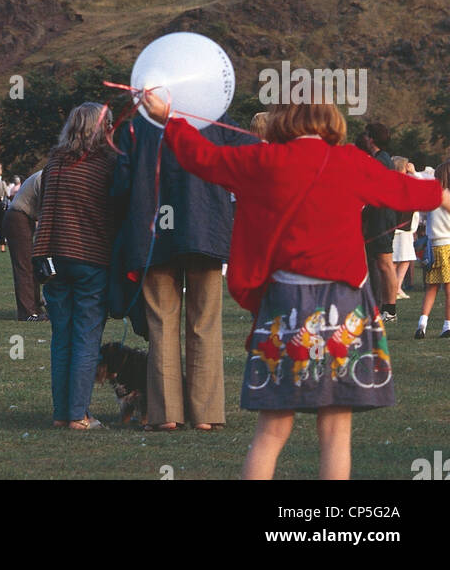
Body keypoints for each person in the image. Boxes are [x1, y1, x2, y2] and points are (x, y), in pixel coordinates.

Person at [144, 90, 444, 480]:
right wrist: (443, 195)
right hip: (345, 306)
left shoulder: (261, 160)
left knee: (271, 430)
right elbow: (401, 190)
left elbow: (203, 158)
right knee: (336, 432)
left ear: (282, 121)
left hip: (284, 304)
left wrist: (170, 118)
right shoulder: (350, 161)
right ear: (332, 121)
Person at [113, 102, 243, 431]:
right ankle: (206, 414)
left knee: (161, 325)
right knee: (205, 324)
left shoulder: (136, 124)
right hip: (207, 229)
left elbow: (120, 184)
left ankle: (165, 414)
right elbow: (242, 160)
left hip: (153, 233)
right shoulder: (213, 116)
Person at [33, 102, 120, 431]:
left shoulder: (55, 160)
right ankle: (79, 415)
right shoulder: (107, 163)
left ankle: (61, 413)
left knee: (62, 338)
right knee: (86, 337)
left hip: (53, 256)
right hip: (89, 256)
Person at [358, 124, 398, 321]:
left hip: (382, 217)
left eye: (366, 135)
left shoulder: (381, 160)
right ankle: (382, 305)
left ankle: (390, 310)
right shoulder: (380, 159)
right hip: (378, 216)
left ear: (371, 138)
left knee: (385, 264)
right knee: (380, 264)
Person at [3, 169, 45, 321]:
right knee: (25, 266)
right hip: (18, 217)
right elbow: (44, 210)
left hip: (24, 218)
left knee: (31, 265)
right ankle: (27, 312)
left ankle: (35, 307)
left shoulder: (46, 175)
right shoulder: (44, 177)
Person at [415, 162, 450, 340]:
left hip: (432, 247)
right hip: (448, 245)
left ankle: (422, 324)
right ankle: (447, 326)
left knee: (431, 289)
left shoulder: (433, 197)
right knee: (449, 289)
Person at [390, 157, 418, 298]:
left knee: (405, 258)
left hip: (405, 227)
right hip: (396, 228)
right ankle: (393, 288)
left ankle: (397, 287)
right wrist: (413, 174)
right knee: (394, 260)